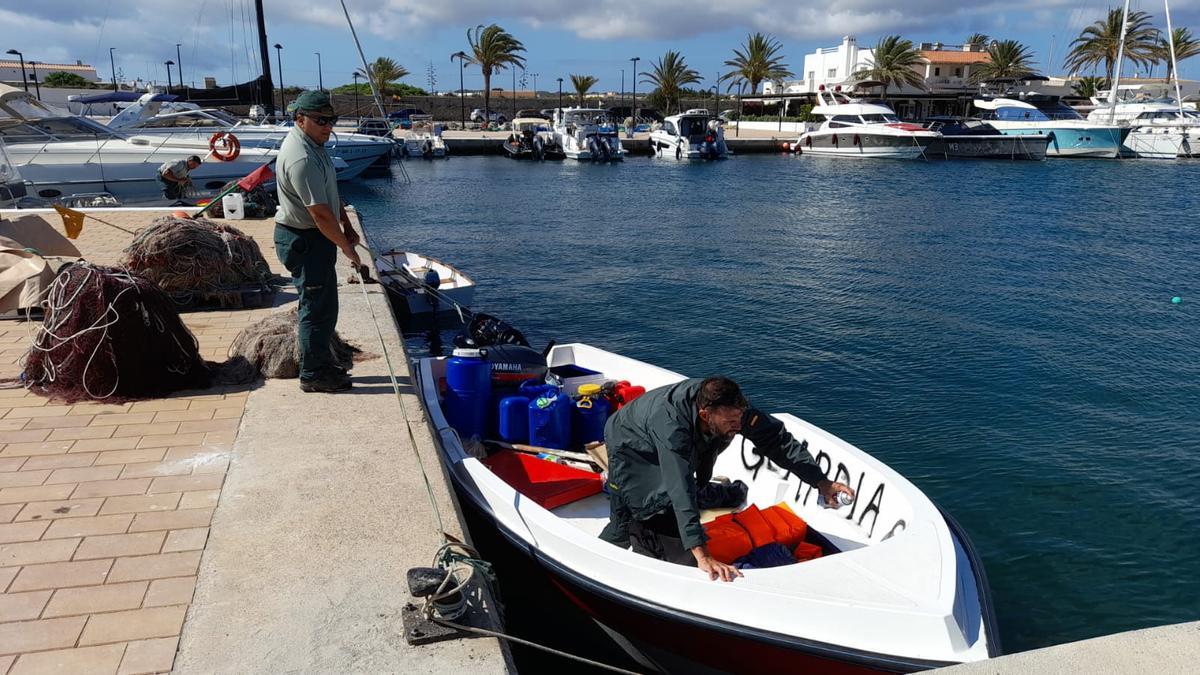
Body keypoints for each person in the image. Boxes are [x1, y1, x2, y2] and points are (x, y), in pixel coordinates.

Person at [600, 376, 855, 582]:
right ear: (704, 415)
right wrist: (702, 554)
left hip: (678, 437)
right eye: (731, 423)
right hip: (631, 442)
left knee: (689, 485)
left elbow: (777, 441)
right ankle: (604, 561)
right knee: (645, 507)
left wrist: (821, 482)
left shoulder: (732, 410)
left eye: (740, 419)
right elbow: (679, 487)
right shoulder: (672, 428)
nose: (738, 427)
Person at [273, 90, 362, 393]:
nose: (328, 126)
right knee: (315, 309)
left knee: (326, 307)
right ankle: (312, 374)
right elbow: (320, 213)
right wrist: (347, 248)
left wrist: (346, 224)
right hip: (305, 240)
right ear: (300, 120)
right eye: (321, 120)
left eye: (331, 120)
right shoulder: (301, 157)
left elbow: (329, 194)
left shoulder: (315, 144)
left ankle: (321, 363)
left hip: (316, 237)